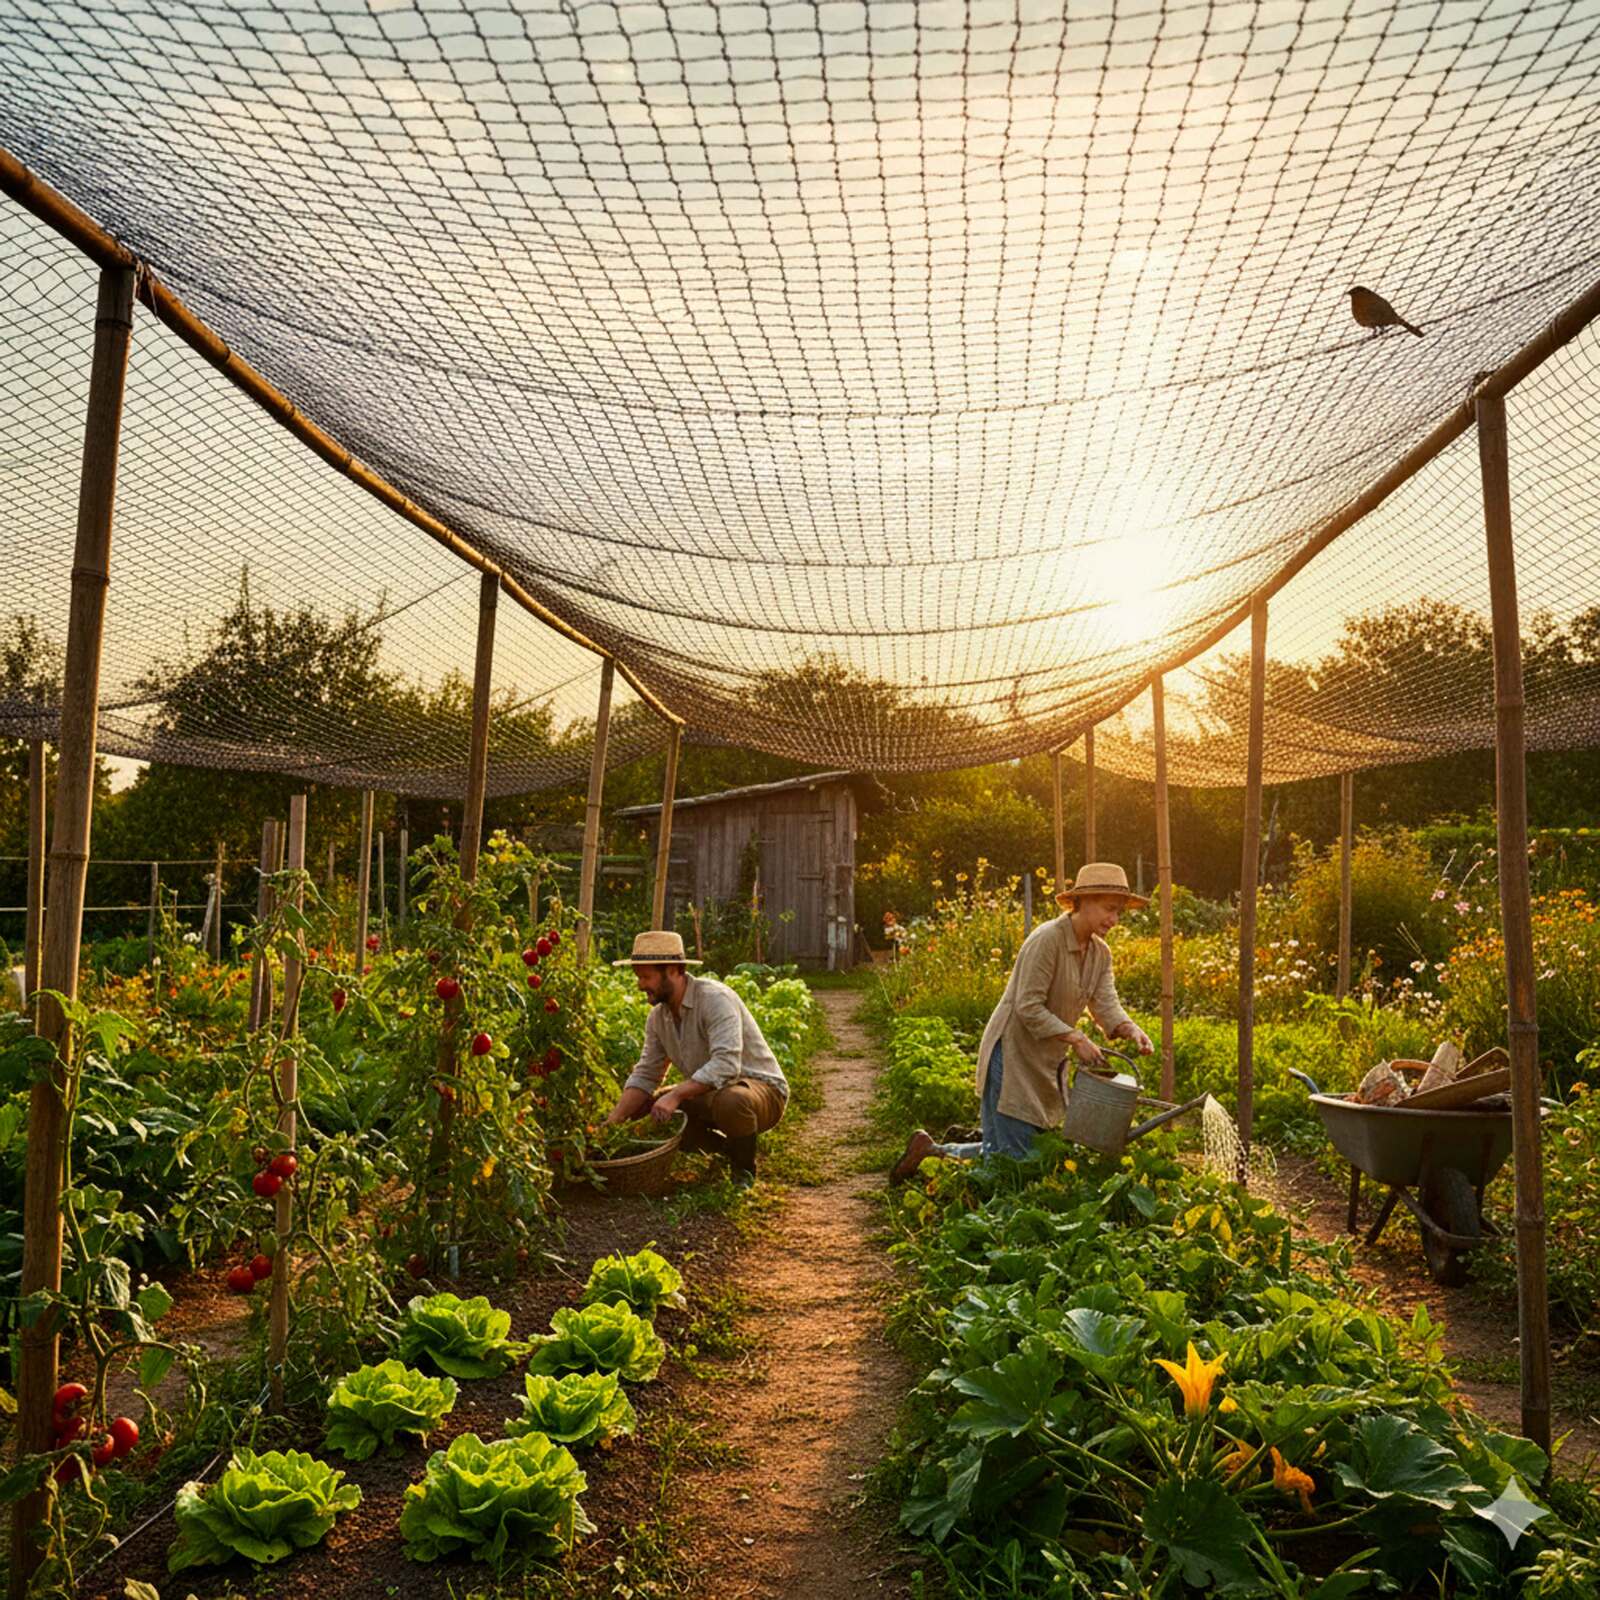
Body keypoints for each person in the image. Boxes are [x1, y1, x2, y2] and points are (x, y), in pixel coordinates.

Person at [890, 862, 1154, 1182]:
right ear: (1082, 902)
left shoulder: (1101, 953)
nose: (1114, 919)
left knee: (1029, 1153)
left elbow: (1106, 1002)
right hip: (1013, 1056)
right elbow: (1027, 1007)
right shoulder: (1048, 940)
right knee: (1014, 1164)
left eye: (1119, 912)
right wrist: (1077, 1038)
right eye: (1109, 909)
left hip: (1047, 1063)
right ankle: (938, 1158)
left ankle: (931, 1151)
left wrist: (1129, 1028)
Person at [606, 930, 788, 1189]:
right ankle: (726, 1149)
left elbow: (727, 1065)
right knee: (648, 1107)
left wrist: (677, 1094)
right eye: (638, 977)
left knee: (731, 1101)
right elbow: (646, 1073)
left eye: (646, 977)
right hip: (711, 1091)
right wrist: (612, 1122)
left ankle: (743, 1170)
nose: (640, 984)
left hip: (760, 1092)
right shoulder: (659, 1018)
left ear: (672, 970)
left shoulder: (715, 999)